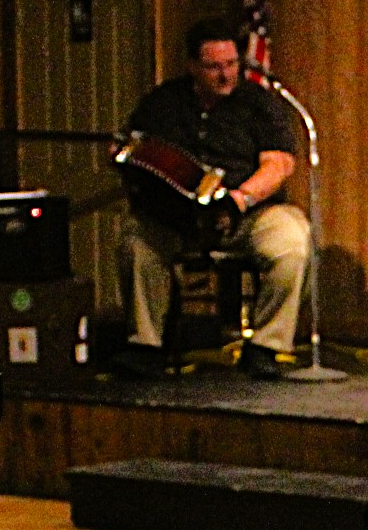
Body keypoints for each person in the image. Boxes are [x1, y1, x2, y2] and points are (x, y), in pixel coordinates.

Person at [115, 19, 307, 378]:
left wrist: (240, 198)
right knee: (136, 239)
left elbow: (279, 164)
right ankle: (145, 344)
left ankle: (267, 345)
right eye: (214, 66)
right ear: (192, 67)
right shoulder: (163, 103)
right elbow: (132, 147)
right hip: (176, 217)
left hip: (247, 211)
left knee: (292, 242)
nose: (225, 74)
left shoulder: (258, 103)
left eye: (231, 64)